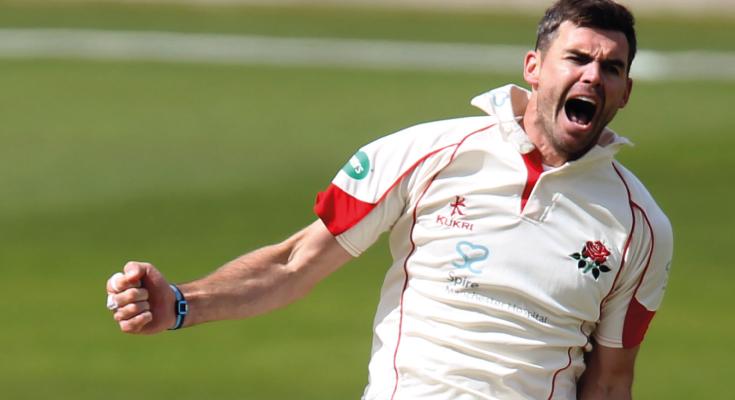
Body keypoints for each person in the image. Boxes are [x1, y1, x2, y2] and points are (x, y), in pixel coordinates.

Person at [105, 1, 673, 399]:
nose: (594, 76)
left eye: (612, 68)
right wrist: (183, 303)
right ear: (534, 68)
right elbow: (294, 263)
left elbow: (608, 381)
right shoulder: (428, 152)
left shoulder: (639, 227)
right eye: (577, 58)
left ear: (625, 92)